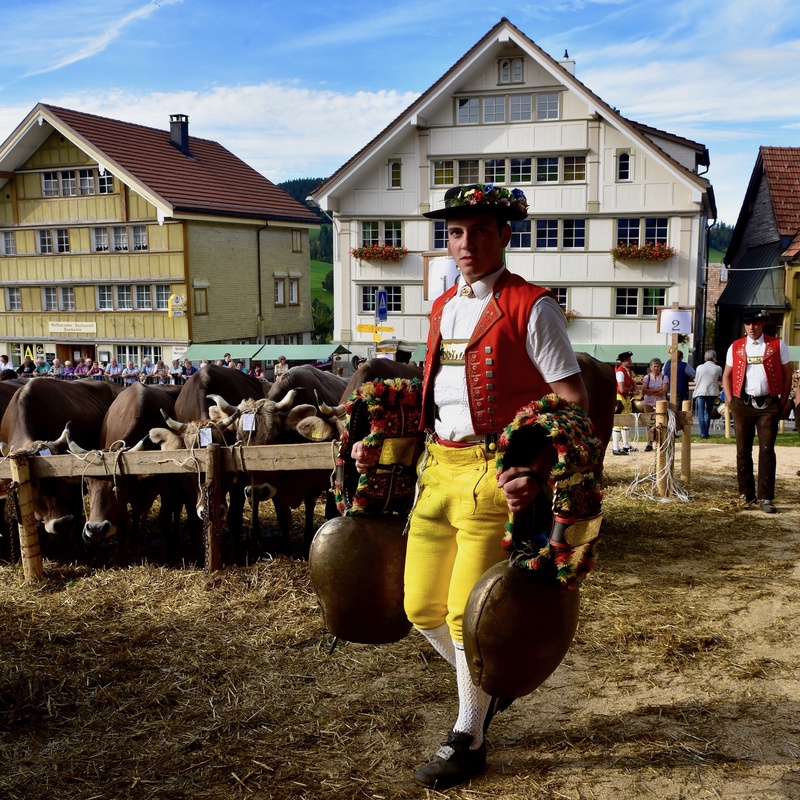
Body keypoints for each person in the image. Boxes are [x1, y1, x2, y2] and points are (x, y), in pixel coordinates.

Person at [352, 184, 588, 790]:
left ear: (506, 235)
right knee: (421, 608)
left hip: (491, 474)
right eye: (456, 232)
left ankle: (469, 734)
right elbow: (434, 396)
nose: (466, 244)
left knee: (464, 614)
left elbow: (571, 402)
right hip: (438, 469)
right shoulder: (440, 309)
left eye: (480, 230)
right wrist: (379, 443)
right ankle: (486, 690)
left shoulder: (532, 307)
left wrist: (534, 473)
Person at [722, 307, 792, 514]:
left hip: (769, 404)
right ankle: (746, 493)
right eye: (748, 324)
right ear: (744, 326)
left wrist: (783, 400)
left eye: (755, 323)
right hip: (742, 403)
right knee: (743, 450)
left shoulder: (777, 345)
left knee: (767, 450)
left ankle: (766, 497)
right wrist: (730, 400)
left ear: (763, 324)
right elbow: (727, 375)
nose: (751, 327)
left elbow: (787, 374)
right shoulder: (735, 347)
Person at [640, 357, 668, 451]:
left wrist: (650, 391)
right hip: (648, 403)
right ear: (651, 367)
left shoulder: (664, 377)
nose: (656, 368)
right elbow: (644, 390)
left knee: (660, 422)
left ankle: (660, 442)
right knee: (649, 423)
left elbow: (663, 391)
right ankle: (649, 443)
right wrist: (657, 389)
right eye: (654, 366)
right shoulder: (647, 377)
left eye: (658, 366)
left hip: (660, 403)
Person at [693, 350, 723, 439]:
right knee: (708, 413)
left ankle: (703, 433)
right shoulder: (718, 368)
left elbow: (696, 379)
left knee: (700, 413)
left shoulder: (699, 367)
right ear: (714, 356)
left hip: (700, 391)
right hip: (711, 391)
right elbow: (719, 377)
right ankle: (706, 432)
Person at [612, 351, 636, 455]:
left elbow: (632, 381)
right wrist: (631, 389)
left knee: (626, 422)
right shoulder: (620, 372)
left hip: (626, 397)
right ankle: (616, 447)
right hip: (620, 398)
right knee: (618, 423)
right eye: (628, 360)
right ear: (623, 361)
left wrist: (634, 386)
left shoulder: (628, 371)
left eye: (630, 359)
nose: (630, 361)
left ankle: (626, 445)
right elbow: (621, 389)